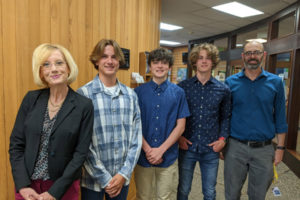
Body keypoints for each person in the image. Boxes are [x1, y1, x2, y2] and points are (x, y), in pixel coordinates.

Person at [9, 43, 94, 200]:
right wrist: (22, 185)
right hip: (28, 186)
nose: (53, 69)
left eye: (59, 63)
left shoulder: (84, 105)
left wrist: (54, 192)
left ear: (68, 68)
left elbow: (80, 154)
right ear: (41, 72)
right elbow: (16, 145)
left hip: (63, 187)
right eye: (46, 65)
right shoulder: (30, 99)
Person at [77, 39, 142, 200]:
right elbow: (82, 143)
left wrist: (123, 174)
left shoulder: (131, 95)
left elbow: (136, 138)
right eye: (104, 56)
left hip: (122, 180)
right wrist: (106, 179)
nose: (110, 61)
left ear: (119, 61)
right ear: (96, 61)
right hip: (92, 181)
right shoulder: (83, 95)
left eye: (114, 57)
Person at [224, 41, 288, 200]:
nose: (252, 56)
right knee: (231, 194)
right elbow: (224, 116)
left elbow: (280, 117)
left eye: (256, 52)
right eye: (249, 53)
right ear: (243, 56)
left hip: (264, 150)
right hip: (235, 148)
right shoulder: (230, 83)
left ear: (263, 55)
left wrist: (280, 148)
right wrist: (222, 142)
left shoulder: (276, 82)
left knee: (258, 196)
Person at [134, 47, 190, 200]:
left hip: (168, 157)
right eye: (156, 62)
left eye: (164, 63)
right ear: (150, 66)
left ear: (170, 67)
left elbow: (181, 126)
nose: (160, 66)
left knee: (164, 197)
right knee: (143, 196)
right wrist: (148, 150)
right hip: (143, 157)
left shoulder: (178, 93)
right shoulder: (138, 93)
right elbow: (134, 126)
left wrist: (161, 150)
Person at [177, 43, 231, 200]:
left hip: (210, 149)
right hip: (187, 146)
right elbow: (176, 116)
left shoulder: (223, 89)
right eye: (200, 58)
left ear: (213, 62)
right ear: (194, 62)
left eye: (208, 58)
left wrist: (223, 140)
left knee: (209, 192)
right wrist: (179, 137)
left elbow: (226, 117)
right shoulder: (182, 88)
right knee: (183, 190)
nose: (204, 61)